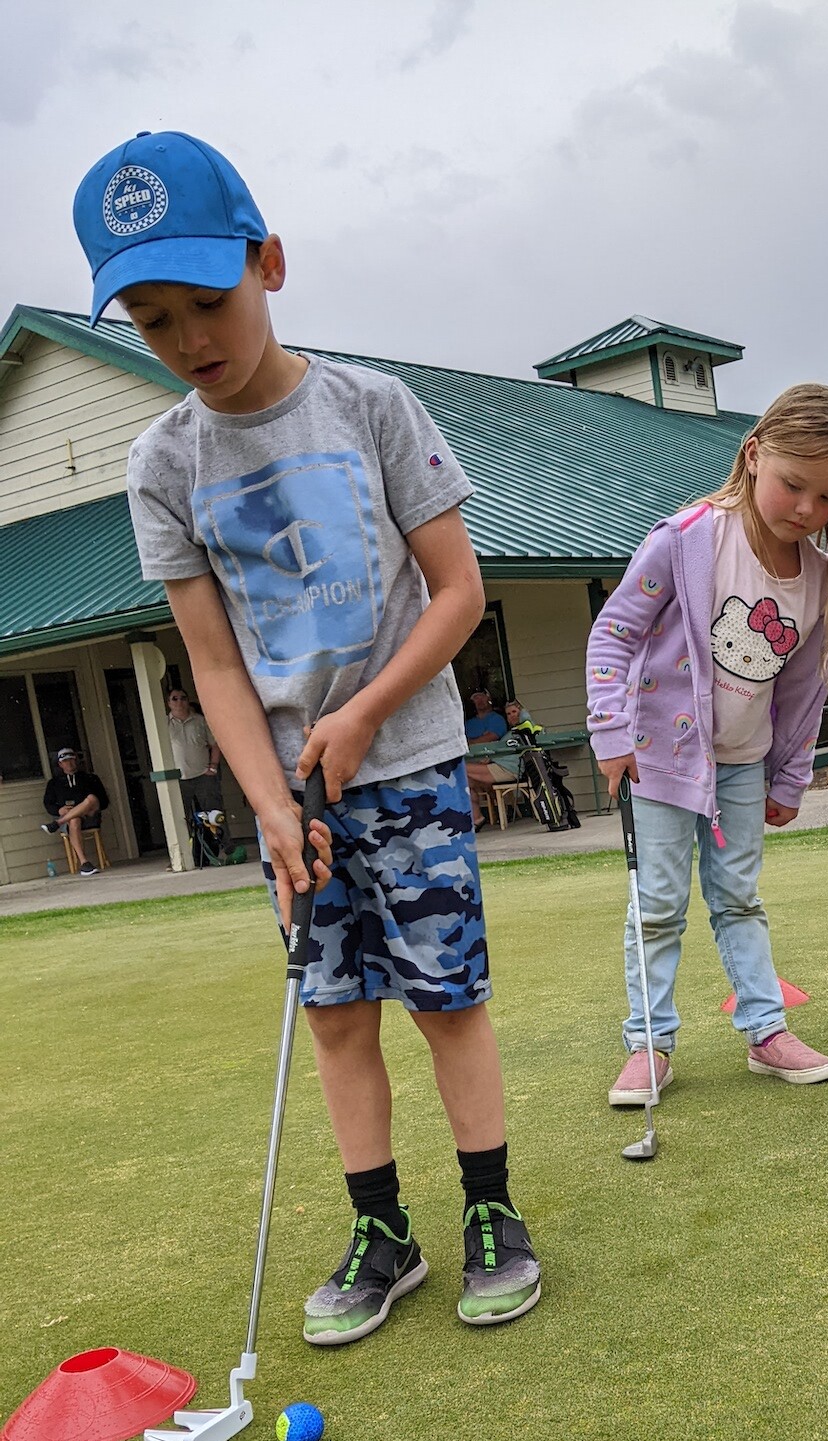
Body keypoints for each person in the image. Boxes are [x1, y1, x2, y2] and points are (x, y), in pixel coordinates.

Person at [75, 129, 541, 1340]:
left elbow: (458, 594)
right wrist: (273, 806)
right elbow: (216, 662)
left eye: (207, 300)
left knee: (448, 1000)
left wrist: (362, 712)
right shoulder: (159, 462)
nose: (190, 340)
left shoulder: (371, 407)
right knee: (335, 1013)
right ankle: (382, 1233)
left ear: (269, 262)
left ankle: (492, 1211)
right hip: (290, 798)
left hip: (410, 763)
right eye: (151, 318)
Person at [586, 383, 828, 1105]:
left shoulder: (818, 578)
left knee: (738, 901)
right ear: (755, 454)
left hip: (740, 769)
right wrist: (609, 730)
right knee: (659, 904)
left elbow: (801, 697)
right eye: (794, 485)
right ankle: (649, 1045)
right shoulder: (688, 539)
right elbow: (614, 632)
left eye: (826, 500)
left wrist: (788, 779)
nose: (806, 510)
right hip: (660, 761)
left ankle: (767, 1032)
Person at [166, 685, 233, 855]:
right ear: (168, 703)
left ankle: (227, 848)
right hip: (178, 779)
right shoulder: (164, 724)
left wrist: (213, 767)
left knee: (215, 813)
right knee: (180, 818)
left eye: (183, 698)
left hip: (203, 775)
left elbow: (215, 745)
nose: (179, 701)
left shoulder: (200, 721)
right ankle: (183, 855)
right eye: (175, 698)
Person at [464, 688, 528, 823]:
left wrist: (474, 742)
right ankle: (478, 818)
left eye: (514, 712)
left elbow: (492, 738)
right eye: (509, 714)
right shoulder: (512, 732)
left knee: (459, 769)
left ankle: (498, 812)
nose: (511, 716)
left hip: (508, 768)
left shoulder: (524, 729)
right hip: (491, 764)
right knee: (466, 781)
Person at [41, 748, 108, 875]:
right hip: (70, 819)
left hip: (90, 815)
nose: (69, 763)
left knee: (91, 798)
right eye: (65, 761)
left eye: (71, 760)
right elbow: (48, 804)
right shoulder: (54, 783)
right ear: (60, 764)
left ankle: (56, 824)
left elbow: (104, 801)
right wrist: (59, 809)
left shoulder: (90, 778)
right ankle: (84, 863)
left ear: (76, 760)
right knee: (74, 820)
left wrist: (88, 809)